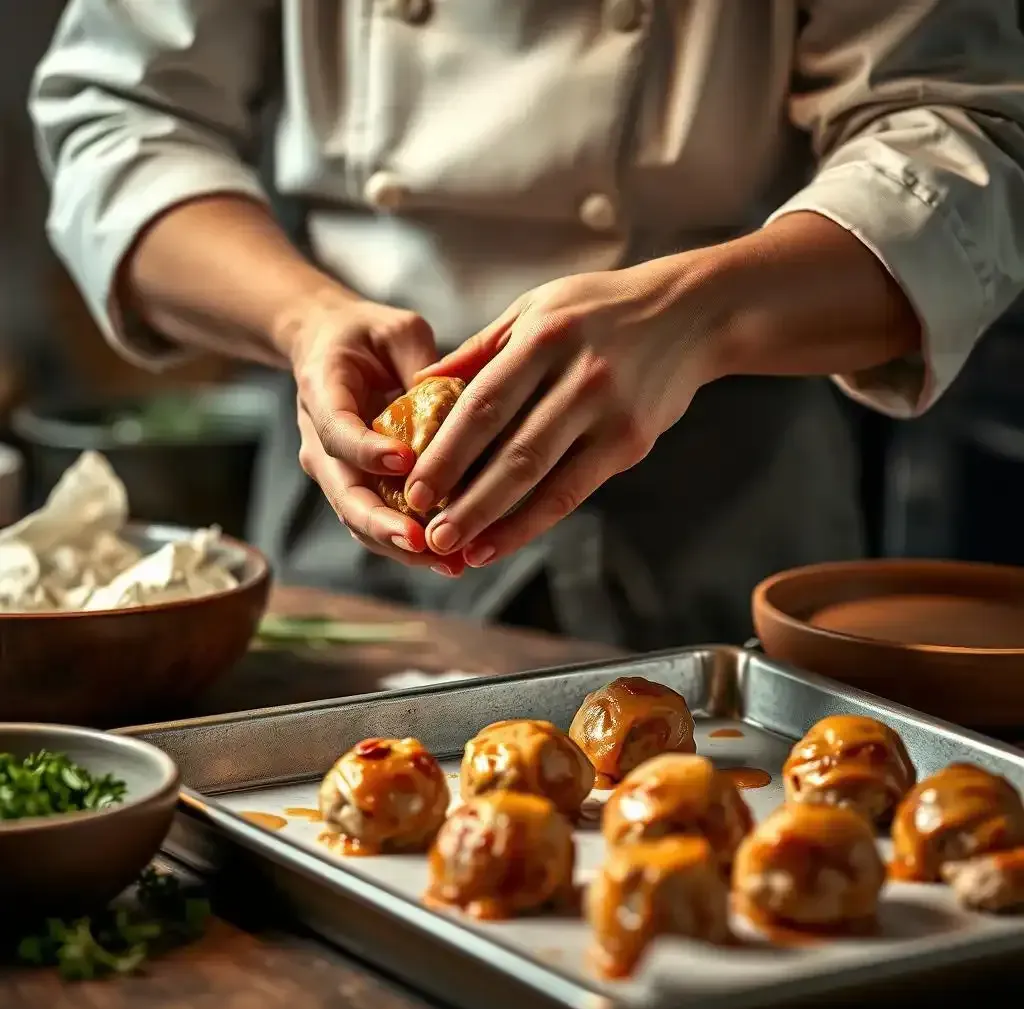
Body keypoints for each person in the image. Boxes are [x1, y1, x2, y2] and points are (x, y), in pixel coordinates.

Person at [29, 2, 1024, 649]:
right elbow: (117, 120)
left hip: (720, 510)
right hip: (354, 506)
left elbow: (964, 138)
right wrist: (304, 318)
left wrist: (695, 313)